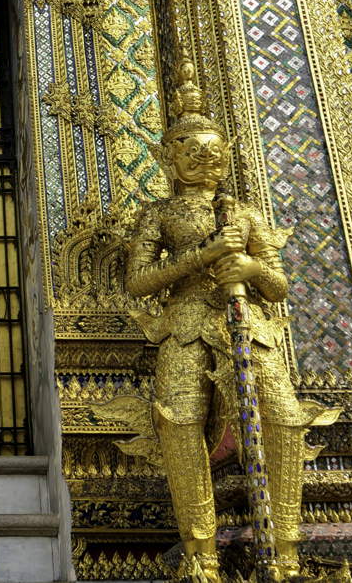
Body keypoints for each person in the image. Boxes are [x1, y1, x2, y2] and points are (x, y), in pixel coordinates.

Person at [124, 63, 306, 581]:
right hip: (183, 324)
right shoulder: (158, 215)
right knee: (178, 423)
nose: (204, 159)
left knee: (285, 418)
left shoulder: (243, 213)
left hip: (245, 325)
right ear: (169, 158)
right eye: (191, 151)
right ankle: (200, 550)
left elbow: (277, 284)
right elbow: (139, 282)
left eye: (212, 151)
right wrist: (202, 256)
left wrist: (248, 266)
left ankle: (285, 549)